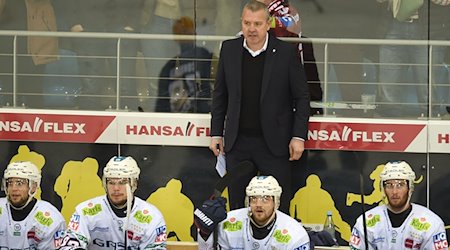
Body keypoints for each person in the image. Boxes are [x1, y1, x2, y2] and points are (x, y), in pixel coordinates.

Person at [209, 0, 310, 214]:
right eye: (247, 23)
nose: (251, 29)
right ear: (241, 23)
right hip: (238, 144)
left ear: (268, 24)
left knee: (279, 208)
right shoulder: (228, 49)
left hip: (274, 144)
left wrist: (298, 136)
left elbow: (302, 97)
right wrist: (216, 133)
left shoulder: (285, 53)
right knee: (236, 207)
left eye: (257, 23)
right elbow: (220, 95)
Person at [57, 156, 167, 249]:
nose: (116, 188)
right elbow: (69, 246)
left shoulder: (152, 217)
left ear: (134, 184)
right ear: (104, 183)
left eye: (123, 182)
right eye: (111, 182)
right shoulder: (85, 211)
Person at [349, 161, 448, 249]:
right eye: (389, 185)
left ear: (410, 188)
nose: (394, 191)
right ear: (383, 189)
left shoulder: (431, 223)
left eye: (400, 185)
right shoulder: (366, 222)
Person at [194, 175, 311, 249]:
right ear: (247, 201)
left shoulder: (295, 233)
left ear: (276, 202)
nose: (258, 204)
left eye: (265, 198)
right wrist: (205, 233)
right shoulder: (228, 223)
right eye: (254, 198)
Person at [0, 161, 66, 249]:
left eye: (19, 183)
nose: (14, 188)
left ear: (33, 187)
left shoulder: (51, 218)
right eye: (10, 183)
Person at [155, 16, 213, 113]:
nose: (186, 35)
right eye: (182, 32)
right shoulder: (168, 67)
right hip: (176, 120)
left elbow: (209, 87)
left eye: (188, 31)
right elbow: (162, 104)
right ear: (176, 37)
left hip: (202, 116)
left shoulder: (203, 55)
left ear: (194, 34)